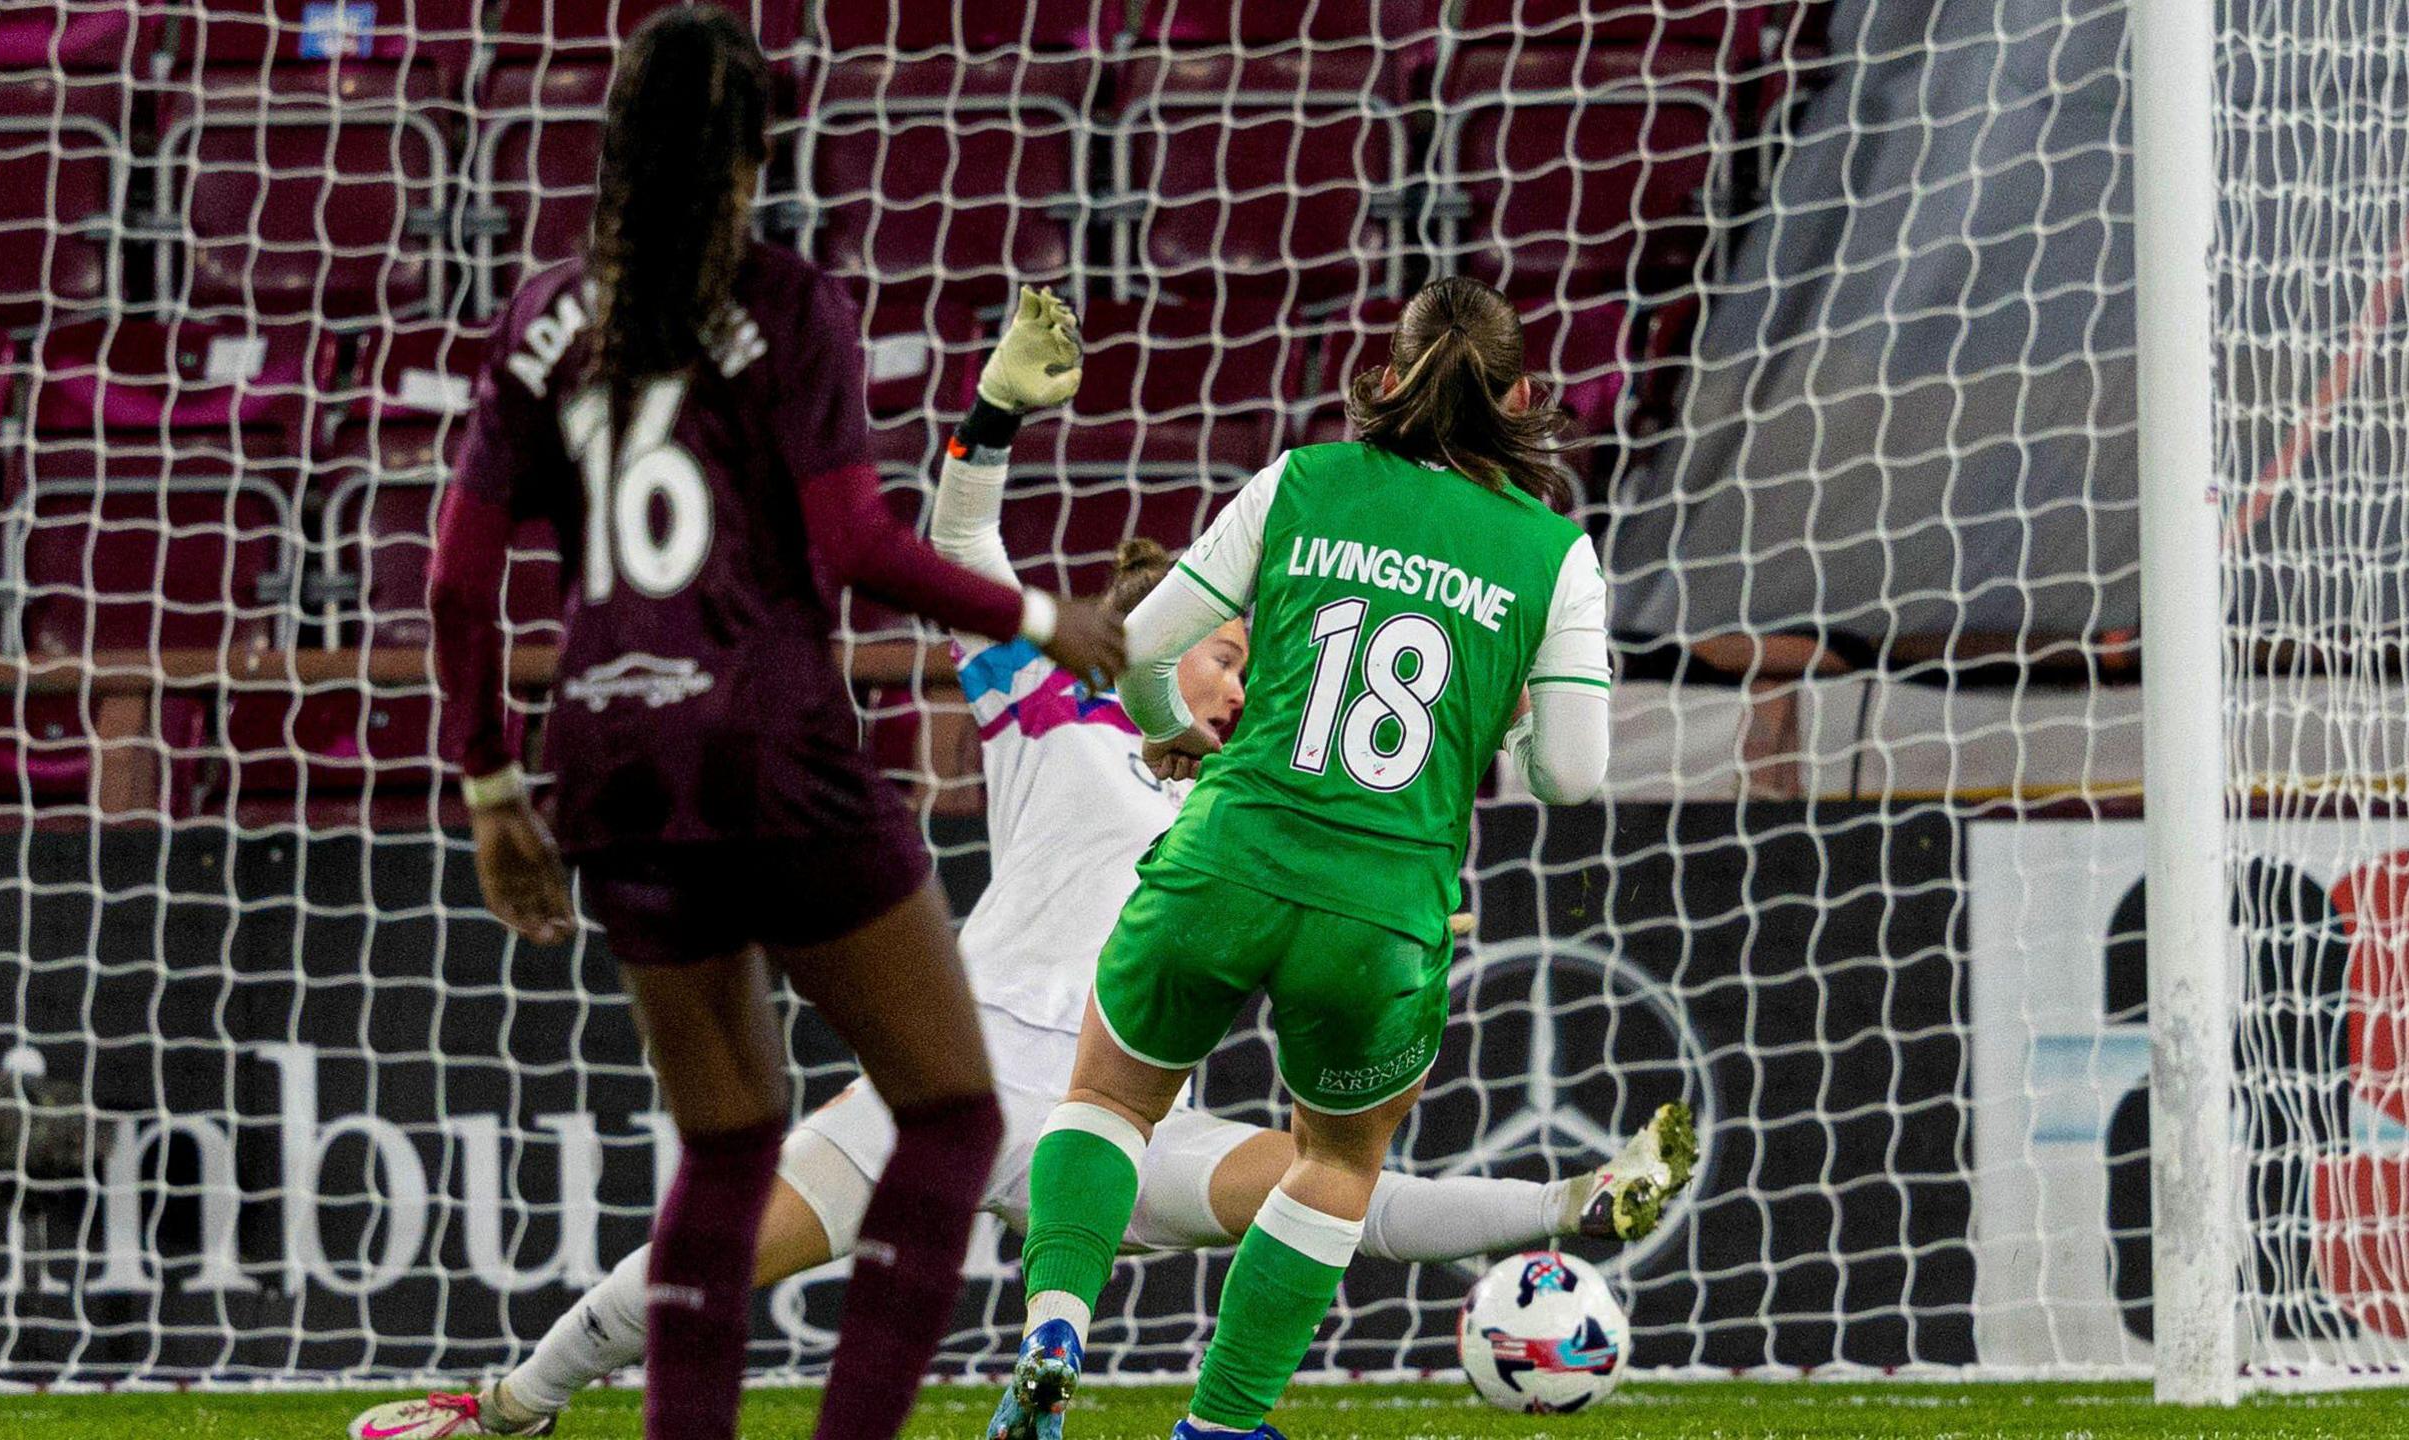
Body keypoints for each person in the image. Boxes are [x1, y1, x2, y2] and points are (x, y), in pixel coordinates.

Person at [361, 288, 1688, 1440]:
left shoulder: (1250, 805)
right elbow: (958, 550)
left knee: (1324, 1183)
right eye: (1223, 655)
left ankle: (1562, 1199)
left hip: (1095, 1118)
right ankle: (511, 1403)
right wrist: (987, 421)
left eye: (1246, 657)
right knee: (701, 1264)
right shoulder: (1064, 721)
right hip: (944, 1080)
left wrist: (1566, 1194)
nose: (1235, 678)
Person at [421, 13, 1123, 1440]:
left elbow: (455, 574)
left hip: (607, 759)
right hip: (771, 740)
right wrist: (1046, 620)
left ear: (614, 151)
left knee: (728, 1141)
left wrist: (493, 783)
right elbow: (854, 541)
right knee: (949, 1115)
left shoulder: (542, 320)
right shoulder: (788, 301)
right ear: (753, 152)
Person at [989, 275, 1619, 1440]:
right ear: (1529, 399)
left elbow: (1137, 644)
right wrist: (1516, 712)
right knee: (1335, 1157)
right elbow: (1570, 777)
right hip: (1380, 908)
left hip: (1227, 854)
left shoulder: (1303, 480)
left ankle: (1055, 1332)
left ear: (1381, 383)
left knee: (1108, 1100)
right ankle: (1222, 1424)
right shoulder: (1554, 556)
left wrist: (1160, 722)